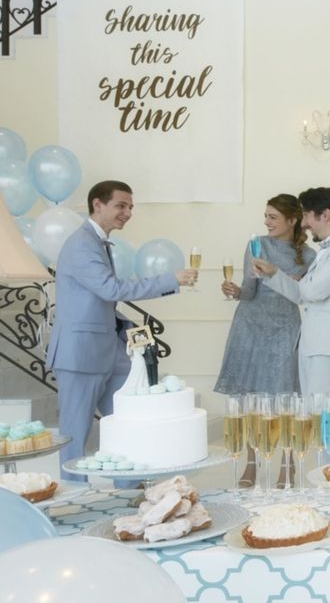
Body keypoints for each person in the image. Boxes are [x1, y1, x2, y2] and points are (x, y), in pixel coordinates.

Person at [47, 180, 197, 480]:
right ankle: (73, 494)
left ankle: (129, 488)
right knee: (74, 434)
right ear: (97, 204)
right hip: (80, 354)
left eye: (130, 207)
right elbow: (109, 289)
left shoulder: (98, 242)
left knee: (128, 420)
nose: (127, 213)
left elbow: (94, 300)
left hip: (108, 351)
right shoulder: (81, 244)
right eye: (121, 205)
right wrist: (170, 280)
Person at [259, 187, 330, 396]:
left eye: (306, 215)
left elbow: (310, 292)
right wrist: (272, 273)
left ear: (325, 214)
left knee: (321, 410)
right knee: (311, 410)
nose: (304, 224)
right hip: (315, 344)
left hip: (329, 344)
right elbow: (303, 293)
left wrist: (300, 282)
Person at [213, 194, 305, 397]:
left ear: (292, 220)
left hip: (286, 330)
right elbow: (249, 291)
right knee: (248, 398)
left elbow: (305, 295)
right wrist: (236, 291)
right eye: (266, 216)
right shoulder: (257, 245)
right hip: (250, 326)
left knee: (282, 395)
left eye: (273, 217)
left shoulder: (309, 256)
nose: (266, 222)